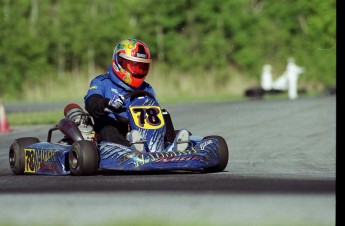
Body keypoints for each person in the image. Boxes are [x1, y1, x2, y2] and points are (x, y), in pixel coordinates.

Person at [84, 38, 189, 152]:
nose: (138, 71)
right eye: (133, 66)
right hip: (113, 127)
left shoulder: (146, 88)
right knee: (108, 127)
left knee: (163, 114)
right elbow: (91, 103)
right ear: (118, 62)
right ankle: (132, 150)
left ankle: (170, 147)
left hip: (141, 130)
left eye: (141, 67)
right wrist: (107, 103)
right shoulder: (102, 82)